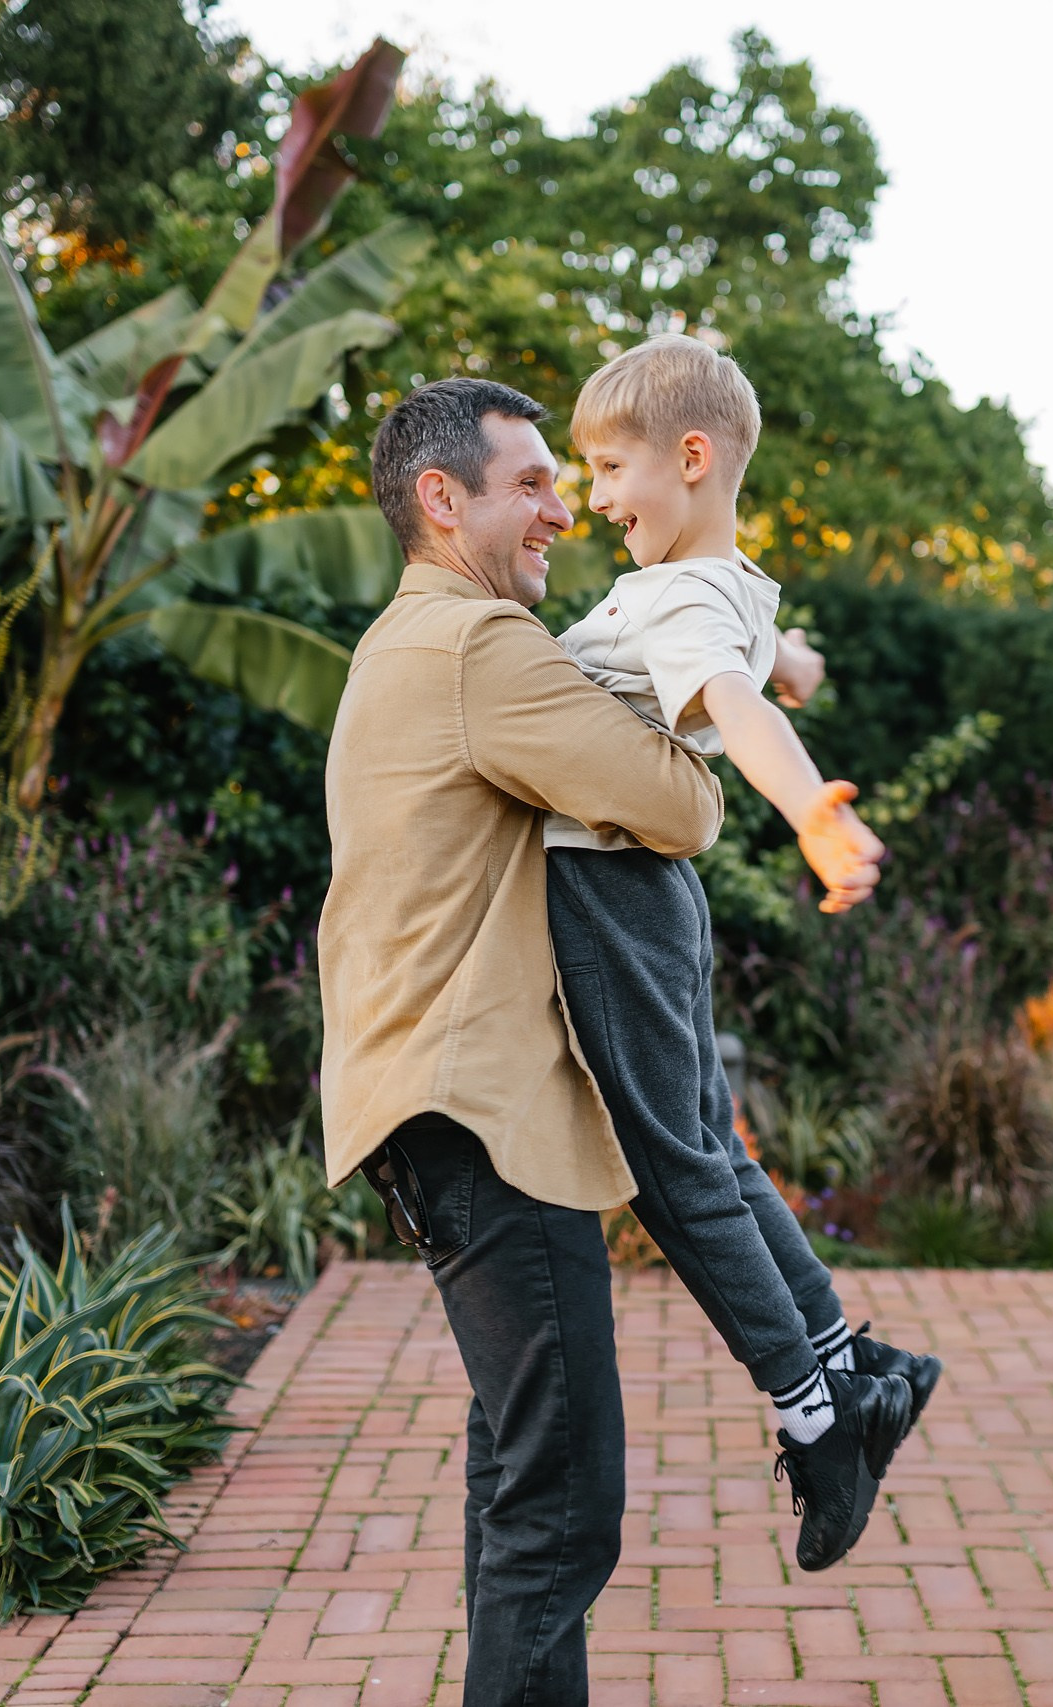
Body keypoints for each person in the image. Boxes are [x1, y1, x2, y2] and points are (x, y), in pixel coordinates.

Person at [320, 378, 731, 1704]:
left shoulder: (400, 642)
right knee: (562, 1496)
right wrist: (706, 711)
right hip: (483, 1113)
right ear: (442, 500)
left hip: (431, 1109)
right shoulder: (481, 646)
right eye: (532, 484)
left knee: (521, 1471)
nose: (563, 509)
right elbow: (679, 807)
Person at [547, 334, 936, 1572]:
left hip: (608, 889)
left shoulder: (678, 599)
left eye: (609, 468)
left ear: (691, 457)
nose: (595, 499)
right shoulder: (724, 580)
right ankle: (852, 1366)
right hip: (652, 895)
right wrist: (801, 664)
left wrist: (811, 810)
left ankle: (817, 1420)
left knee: (673, 1171)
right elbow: (780, 665)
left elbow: (737, 699)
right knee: (708, 1149)